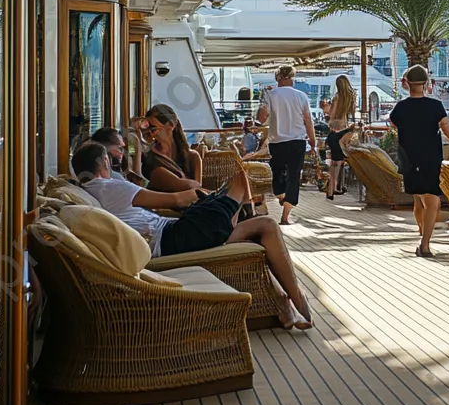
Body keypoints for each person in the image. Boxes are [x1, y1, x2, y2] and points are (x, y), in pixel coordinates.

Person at [72, 140, 313, 329]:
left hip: (172, 231)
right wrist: (201, 194)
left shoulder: (93, 189)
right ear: (104, 161)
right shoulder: (109, 187)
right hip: (172, 237)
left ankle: (284, 299)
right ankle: (298, 300)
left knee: (265, 225)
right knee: (240, 180)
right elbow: (176, 198)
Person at [389, 65, 449, 257]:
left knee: (418, 200)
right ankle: (425, 244)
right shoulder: (435, 106)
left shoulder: (400, 108)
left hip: (408, 158)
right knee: (431, 202)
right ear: (426, 83)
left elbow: (394, 125)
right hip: (430, 157)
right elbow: (447, 128)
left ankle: (423, 233)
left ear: (406, 84)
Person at [257, 64, 317, 225]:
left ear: (277, 78)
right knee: (294, 176)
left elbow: (261, 118)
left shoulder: (270, 95)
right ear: (292, 78)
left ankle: (282, 197)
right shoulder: (301, 96)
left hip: (277, 141)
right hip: (297, 141)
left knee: (277, 174)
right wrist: (312, 140)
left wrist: (263, 98)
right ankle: (286, 215)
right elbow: (308, 121)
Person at [135, 104, 204, 193]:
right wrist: (134, 141)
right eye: (146, 130)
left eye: (154, 129)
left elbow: (198, 190)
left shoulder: (192, 156)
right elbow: (135, 177)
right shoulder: (147, 154)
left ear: (172, 125)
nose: (151, 134)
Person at [323, 75, 356, 201]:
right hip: (344, 131)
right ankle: (335, 187)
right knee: (338, 162)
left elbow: (332, 113)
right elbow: (350, 114)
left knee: (334, 163)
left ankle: (331, 189)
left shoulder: (337, 97)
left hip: (334, 132)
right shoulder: (350, 98)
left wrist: (326, 109)